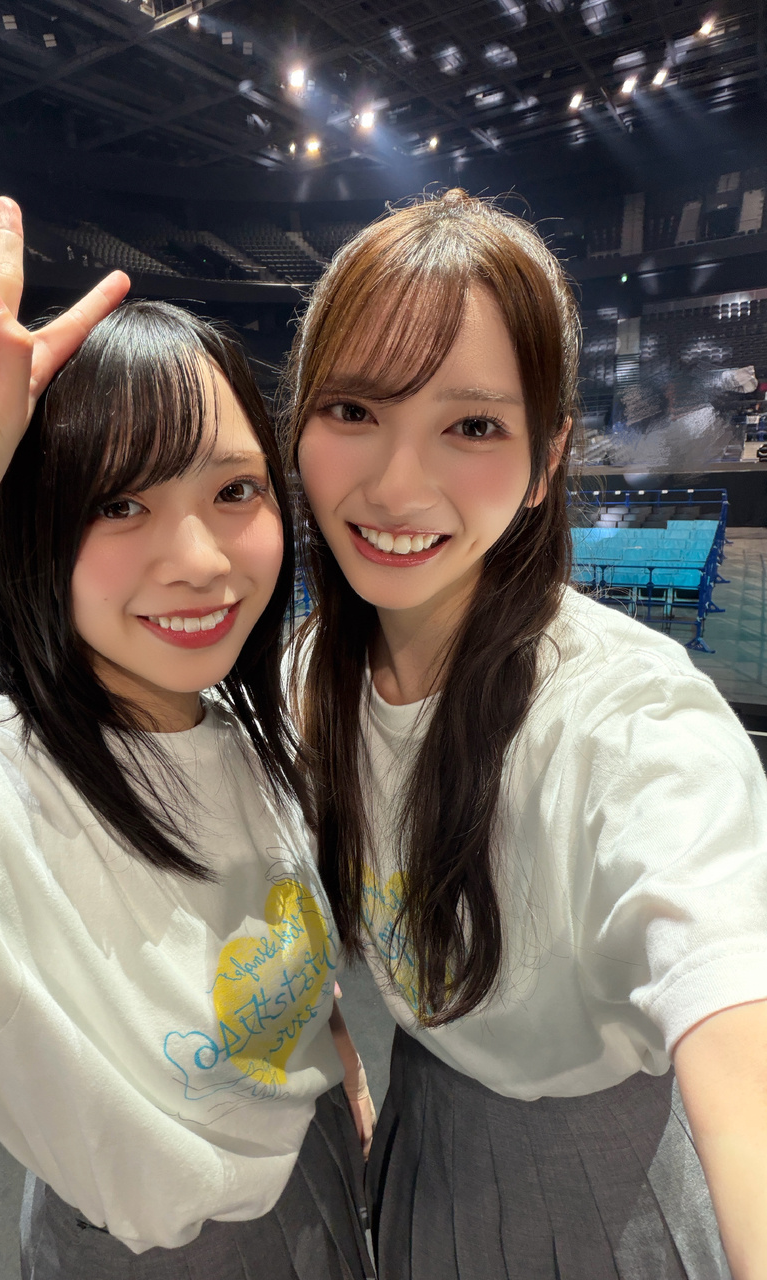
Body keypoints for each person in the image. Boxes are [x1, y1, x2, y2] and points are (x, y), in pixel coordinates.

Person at [0, 199, 373, 1279]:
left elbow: (287, 950)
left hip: (322, 1188)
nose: (200, 560)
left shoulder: (253, 730)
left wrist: (336, 1066)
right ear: (39, 528)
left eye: (235, 488)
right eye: (119, 503)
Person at [283, 189, 767, 1279]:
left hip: (603, 1174)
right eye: (353, 408)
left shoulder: (629, 715)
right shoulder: (305, 679)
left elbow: (730, 990)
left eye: (471, 426)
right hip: (427, 1127)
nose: (396, 484)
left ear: (548, 460)